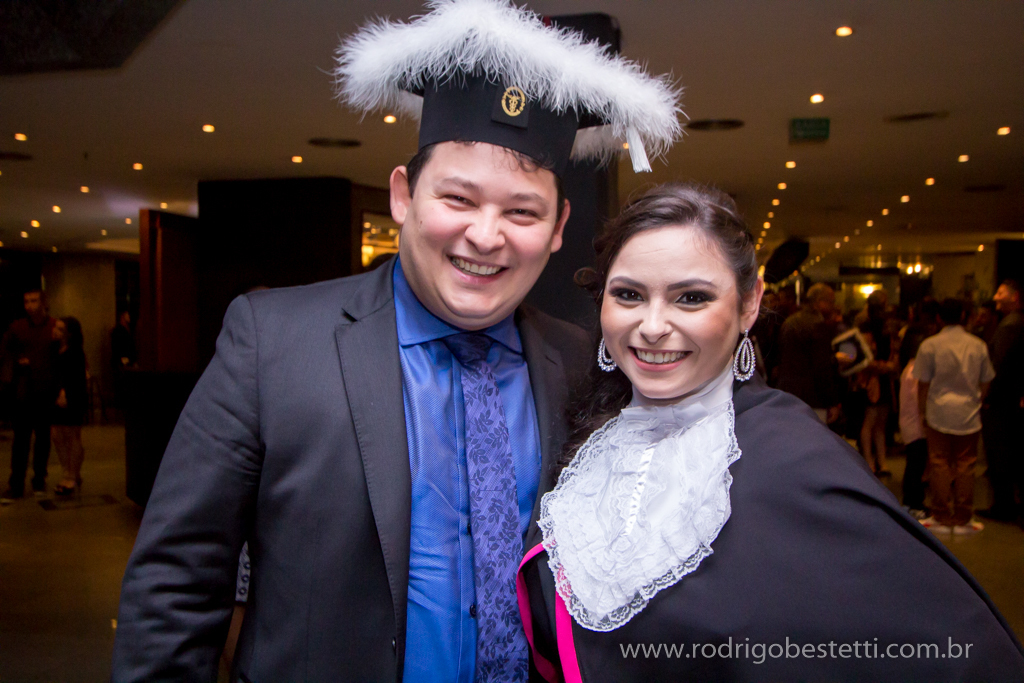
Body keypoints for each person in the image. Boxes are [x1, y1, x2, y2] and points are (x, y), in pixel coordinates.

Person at [111, 1, 681, 680]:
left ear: (558, 226)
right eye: (459, 200)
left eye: (521, 211)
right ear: (404, 196)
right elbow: (176, 582)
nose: (486, 235)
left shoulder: (581, 363)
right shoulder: (273, 343)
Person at [516, 184, 1024, 681]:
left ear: (749, 304)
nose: (652, 326)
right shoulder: (590, 437)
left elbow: (960, 652)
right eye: (628, 295)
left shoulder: (796, 458)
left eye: (690, 298)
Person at [914, 298, 995, 535]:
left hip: (939, 409)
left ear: (939, 318)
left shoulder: (930, 345)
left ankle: (940, 513)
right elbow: (987, 378)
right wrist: (978, 398)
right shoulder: (977, 344)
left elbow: (923, 383)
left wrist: (921, 411)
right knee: (966, 464)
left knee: (938, 462)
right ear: (962, 315)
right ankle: (962, 514)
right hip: (968, 411)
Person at [1, 290, 57, 504]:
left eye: (34, 301)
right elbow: (5, 353)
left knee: (43, 438)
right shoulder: (17, 327)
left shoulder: (53, 326)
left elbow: (58, 356)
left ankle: (39, 480)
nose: (29, 305)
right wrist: (16, 363)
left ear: (43, 303)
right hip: (23, 391)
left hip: (45, 389)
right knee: (21, 440)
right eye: (26, 301)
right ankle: (16, 483)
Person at [979, 280, 1024, 523]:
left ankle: (1004, 505)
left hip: (1002, 402)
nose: (995, 298)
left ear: (1015, 297)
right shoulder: (1011, 323)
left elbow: (999, 367)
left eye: (1000, 293)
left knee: (1000, 453)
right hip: (1009, 399)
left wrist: (987, 396)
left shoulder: (1010, 326)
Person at [775, 282, 841, 423]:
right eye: (831, 302)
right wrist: (832, 401)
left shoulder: (790, 321)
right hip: (812, 398)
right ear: (819, 302)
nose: (833, 306)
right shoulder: (817, 325)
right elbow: (821, 368)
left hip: (787, 392)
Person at [50, 317, 89, 496]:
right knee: (57, 434)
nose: (55, 331)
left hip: (72, 396)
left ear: (69, 333)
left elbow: (77, 377)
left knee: (72, 435)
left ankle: (71, 475)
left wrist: (66, 393)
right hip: (57, 395)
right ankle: (68, 470)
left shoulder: (75, 352)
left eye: (60, 329)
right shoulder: (54, 349)